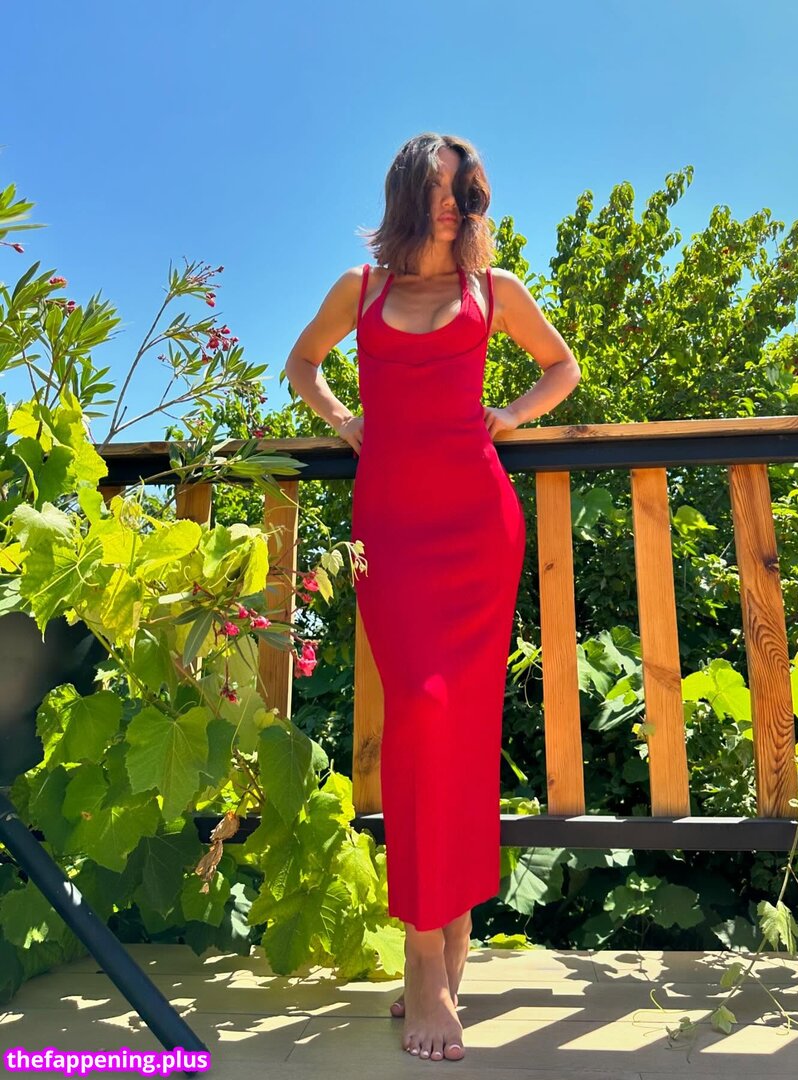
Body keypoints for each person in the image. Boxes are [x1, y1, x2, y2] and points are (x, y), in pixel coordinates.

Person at [284, 132, 581, 1063]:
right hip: (394, 534)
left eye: (468, 192)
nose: (457, 206)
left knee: (460, 729)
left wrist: (510, 416)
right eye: (443, 190)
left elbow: (562, 366)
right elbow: (302, 365)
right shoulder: (360, 289)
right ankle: (429, 948)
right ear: (407, 195)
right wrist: (343, 420)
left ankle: (443, 940)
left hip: (477, 529)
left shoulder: (494, 290)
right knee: (419, 717)